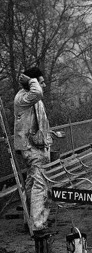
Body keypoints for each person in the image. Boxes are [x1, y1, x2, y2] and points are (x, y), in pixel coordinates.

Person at [14, 67, 53, 235]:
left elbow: (41, 122)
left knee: (31, 183)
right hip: (32, 148)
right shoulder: (24, 97)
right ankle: (38, 224)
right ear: (32, 83)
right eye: (40, 81)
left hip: (36, 146)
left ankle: (30, 220)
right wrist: (31, 79)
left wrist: (50, 135)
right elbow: (37, 92)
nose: (43, 85)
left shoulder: (32, 99)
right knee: (39, 184)